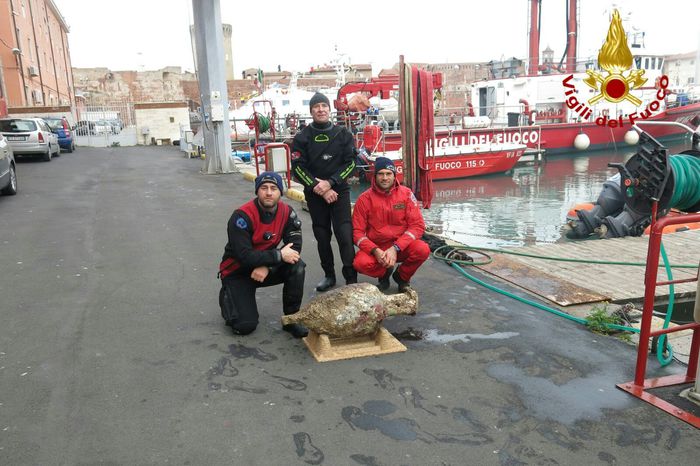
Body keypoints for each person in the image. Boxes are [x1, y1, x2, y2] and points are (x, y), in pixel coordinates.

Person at [218, 171, 308, 338]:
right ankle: (227, 296)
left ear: (280, 192)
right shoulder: (241, 216)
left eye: (274, 188)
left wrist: (267, 266)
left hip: (265, 266)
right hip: (238, 272)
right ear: (257, 191)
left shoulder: (287, 213)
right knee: (244, 326)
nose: (268, 192)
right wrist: (276, 257)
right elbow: (243, 256)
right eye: (264, 188)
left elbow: (294, 247)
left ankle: (291, 319)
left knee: (297, 266)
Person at [291, 92, 357, 292]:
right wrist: (317, 187)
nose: (320, 109)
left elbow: (352, 163)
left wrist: (331, 182)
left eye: (323, 106)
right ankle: (329, 275)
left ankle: (351, 278)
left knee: (345, 235)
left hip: (339, 192)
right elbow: (298, 168)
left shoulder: (343, 134)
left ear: (329, 109)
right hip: (315, 193)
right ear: (311, 111)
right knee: (322, 236)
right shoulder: (302, 137)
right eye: (316, 107)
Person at [352, 157, 430, 292]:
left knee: (422, 249)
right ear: (375, 176)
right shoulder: (364, 199)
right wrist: (375, 250)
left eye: (388, 174)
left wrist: (395, 248)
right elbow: (357, 233)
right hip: (378, 247)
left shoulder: (406, 194)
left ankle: (402, 277)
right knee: (360, 264)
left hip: (401, 246)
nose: (384, 178)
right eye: (381, 174)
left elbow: (417, 226)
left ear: (394, 176)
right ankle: (385, 274)